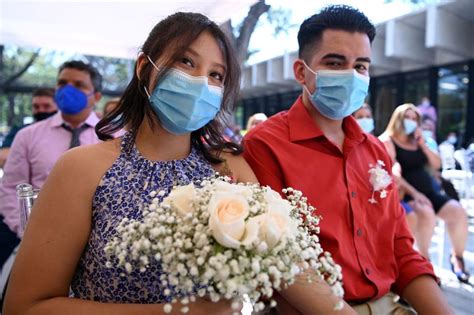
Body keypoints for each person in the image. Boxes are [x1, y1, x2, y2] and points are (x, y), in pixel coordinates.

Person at [4, 12, 259, 314]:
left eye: (216, 75)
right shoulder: (81, 168)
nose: (200, 83)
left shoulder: (230, 168)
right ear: (143, 67)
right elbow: (25, 306)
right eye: (186, 62)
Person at [243, 5, 453, 314]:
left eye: (361, 66)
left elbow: (401, 249)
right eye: (335, 62)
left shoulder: (375, 150)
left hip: (389, 304)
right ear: (301, 71)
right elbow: (281, 262)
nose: (351, 76)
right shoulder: (264, 145)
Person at [0, 60, 103, 270]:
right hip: (38, 243)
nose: (68, 89)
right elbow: (11, 188)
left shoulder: (114, 137)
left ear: (97, 96)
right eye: (62, 82)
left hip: (98, 247)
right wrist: (26, 231)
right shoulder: (28, 136)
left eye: (79, 84)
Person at [380, 103, 470, 284]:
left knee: (458, 212)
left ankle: (457, 259)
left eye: (415, 119)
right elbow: (393, 173)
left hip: (429, 192)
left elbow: (436, 165)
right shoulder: (388, 141)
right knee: (426, 214)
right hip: (409, 193)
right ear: (398, 119)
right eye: (408, 118)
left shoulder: (418, 141)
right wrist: (416, 193)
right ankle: (424, 262)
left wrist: (423, 144)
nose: (411, 122)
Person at [0, 88, 58, 168]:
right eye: (36, 107)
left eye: (46, 106)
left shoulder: (68, 130)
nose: (41, 110)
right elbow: (3, 158)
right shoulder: (21, 130)